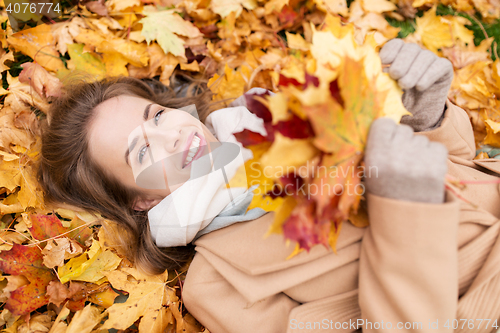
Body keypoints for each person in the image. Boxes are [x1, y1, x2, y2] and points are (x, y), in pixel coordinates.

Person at [38, 39, 500, 332]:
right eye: (142, 152)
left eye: (155, 116)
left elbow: (465, 177)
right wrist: (405, 215)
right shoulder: (217, 285)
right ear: (142, 200)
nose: (172, 134)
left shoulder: (292, 117)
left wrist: (429, 118)